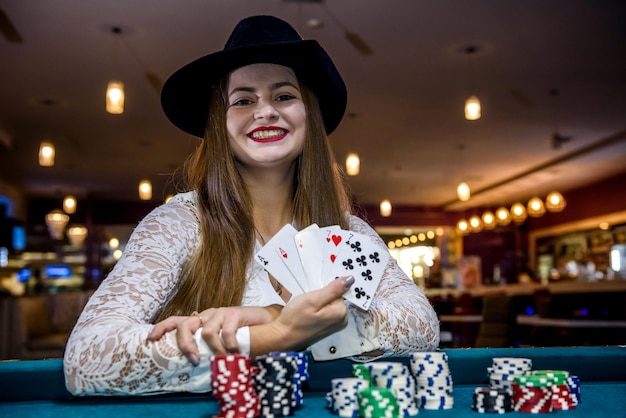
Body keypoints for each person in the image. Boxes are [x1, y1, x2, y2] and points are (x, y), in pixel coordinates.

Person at [63, 15, 440, 396]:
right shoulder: (177, 223)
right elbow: (86, 357)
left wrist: (272, 316)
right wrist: (275, 334)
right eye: (243, 100)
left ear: (308, 115)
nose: (265, 111)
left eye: (284, 96)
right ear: (219, 124)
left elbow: (423, 325)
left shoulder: (349, 230)